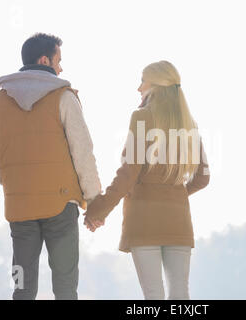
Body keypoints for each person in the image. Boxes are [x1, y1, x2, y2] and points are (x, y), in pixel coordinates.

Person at [0, 32, 101, 300]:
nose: (61, 67)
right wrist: (94, 201)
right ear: (44, 59)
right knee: (66, 286)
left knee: (22, 285)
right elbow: (83, 152)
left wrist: (16, 179)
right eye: (58, 60)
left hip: (19, 208)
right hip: (61, 205)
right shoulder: (64, 97)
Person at [83, 60, 210, 300]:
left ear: (155, 85)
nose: (138, 88)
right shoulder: (189, 125)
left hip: (144, 219)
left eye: (142, 81)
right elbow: (202, 178)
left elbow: (129, 173)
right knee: (180, 294)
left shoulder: (142, 117)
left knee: (153, 295)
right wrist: (175, 193)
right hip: (178, 220)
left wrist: (98, 209)